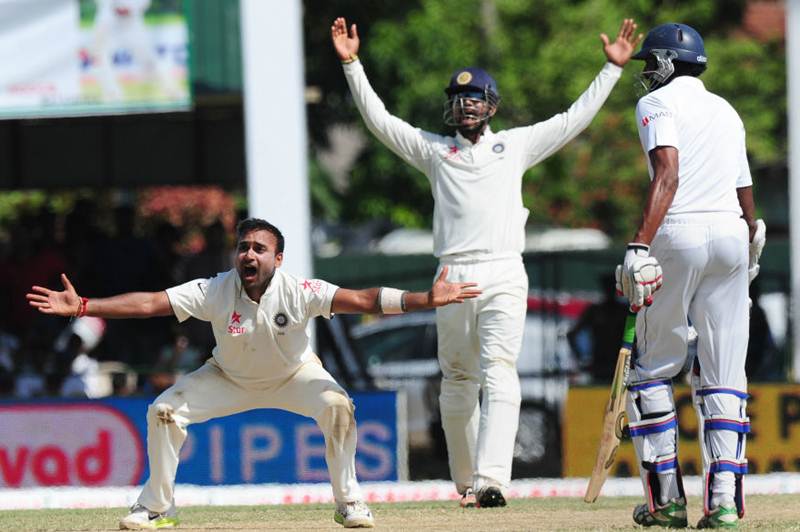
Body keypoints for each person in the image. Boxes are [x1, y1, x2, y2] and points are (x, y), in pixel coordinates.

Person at [331, 16, 642, 507]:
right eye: (460, 99)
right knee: (457, 379)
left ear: (491, 104)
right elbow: (380, 121)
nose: (468, 104)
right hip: (453, 272)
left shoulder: (512, 145)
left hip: (503, 269)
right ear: (451, 109)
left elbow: (570, 120)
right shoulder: (434, 152)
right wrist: (352, 64)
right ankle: (466, 481)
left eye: (476, 97)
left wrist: (611, 70)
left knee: (500, 370)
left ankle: (493, 480)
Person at [26, 218, 481, 530]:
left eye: (259, 249)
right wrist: (84, 306)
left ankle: (348, 502)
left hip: (295, 375)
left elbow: (363, 300)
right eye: (242, 247)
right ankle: (157, 506)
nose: (248, 254)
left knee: (338, 406)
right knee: (164, 411)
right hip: (228, 378)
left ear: (277, 259)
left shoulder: (301, 291)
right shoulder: (214, 289)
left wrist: (425, 299)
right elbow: (150, 303)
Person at [615, 23, 766, 528]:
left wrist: (639, 243)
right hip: (730, 235)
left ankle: (667, 504)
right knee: (726, 375)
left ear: (663, 62)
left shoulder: (656, 104)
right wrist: (751, 231)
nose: (646, 75)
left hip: (678, 232)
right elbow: (742, 183)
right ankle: (724, 504)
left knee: (653, 370)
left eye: (649, 64)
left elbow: (668, 174)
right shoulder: (726, 108)